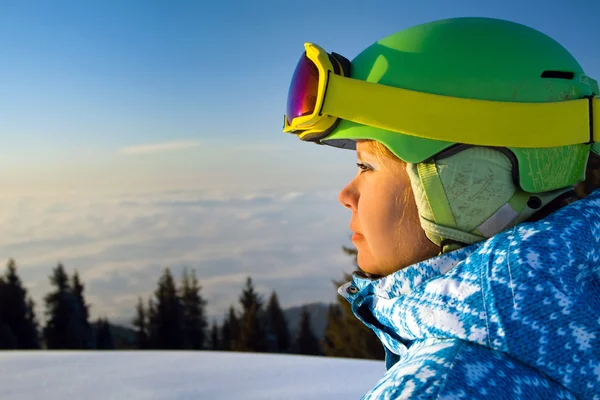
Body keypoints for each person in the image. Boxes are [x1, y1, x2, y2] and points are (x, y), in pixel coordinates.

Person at [282, 17, 600, 399]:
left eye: (366, 166)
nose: (346, 195)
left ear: (472, 180)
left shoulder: (439, 385)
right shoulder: (580, 292)